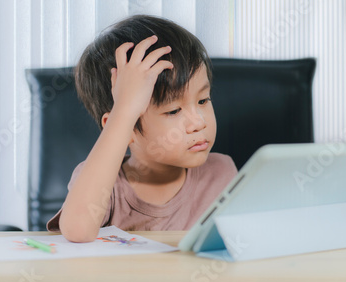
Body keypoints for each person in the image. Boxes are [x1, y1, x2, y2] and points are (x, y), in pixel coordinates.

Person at [47, 15, 237, 242]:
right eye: (174, 110)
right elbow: (77, 230)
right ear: (123, 128)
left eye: (203, 100)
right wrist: (125, 110)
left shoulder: (221, 173)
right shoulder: (108, 186)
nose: (199, 122)